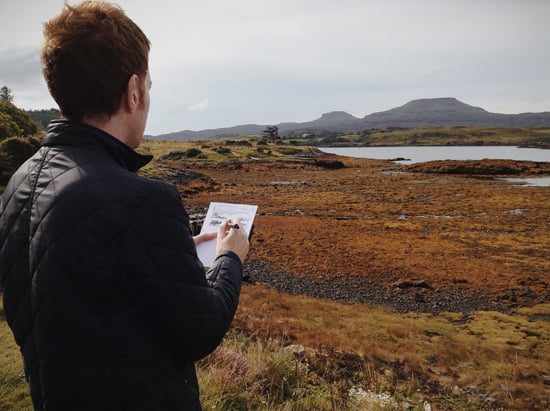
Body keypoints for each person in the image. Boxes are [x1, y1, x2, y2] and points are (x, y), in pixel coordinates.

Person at [0, 1, 249, 410]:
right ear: (133, 91)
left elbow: (84, 279)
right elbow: (201, 330)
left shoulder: (22, 180)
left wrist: (175, 249)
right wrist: (229, 258)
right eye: (148, 88)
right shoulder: (143, 200)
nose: (147, 98)